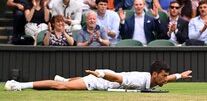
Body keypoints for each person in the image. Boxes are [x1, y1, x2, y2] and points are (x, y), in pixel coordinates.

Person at [4, 60, 192, 91]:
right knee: (58, 87)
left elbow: (169, 78)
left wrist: (180, 75)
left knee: (63, 82)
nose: (165, 79)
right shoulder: (139, 79)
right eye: (164, 76)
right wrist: (101, 74)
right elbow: (116, 77)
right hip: (98, 82)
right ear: (154, 74)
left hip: (101, 80)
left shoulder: (156, 79)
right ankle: (20, 85)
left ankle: (68, 79)